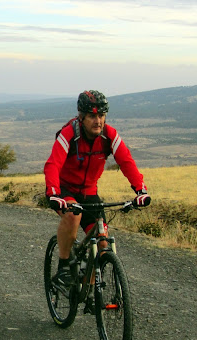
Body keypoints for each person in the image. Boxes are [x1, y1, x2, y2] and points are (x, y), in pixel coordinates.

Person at [44, 90, 151, 291]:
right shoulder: (69, 134)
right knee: (73, 216)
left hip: (89, 192)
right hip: (65, 189)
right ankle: (64, 265)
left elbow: (126, 162)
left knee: (102, 243)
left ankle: (88, 288)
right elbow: (53, 164)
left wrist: (140, 190)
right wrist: (53, 193)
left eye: (101, 115)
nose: (98, 120)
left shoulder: (109, 136)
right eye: (93, 116)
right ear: (81, 117)